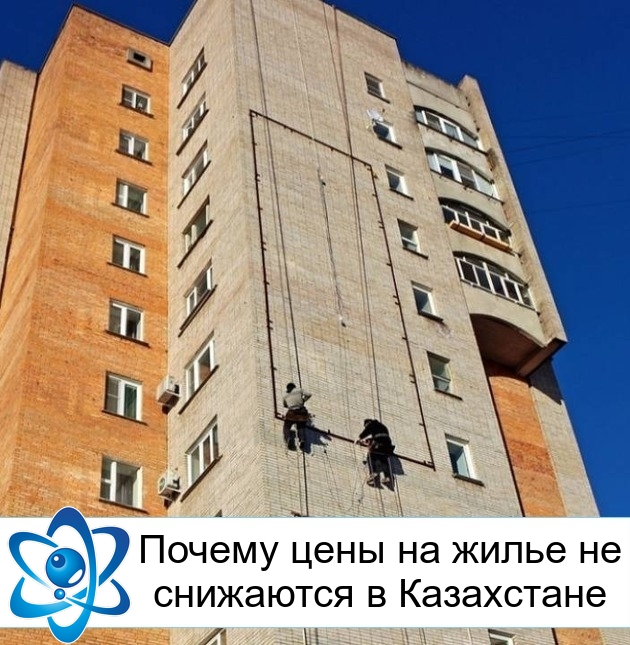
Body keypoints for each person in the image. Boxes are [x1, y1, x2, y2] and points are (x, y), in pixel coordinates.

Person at [358, 418, 394, 486]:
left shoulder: (372, 424)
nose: (366, 427)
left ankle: (373, 473)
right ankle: (388, 477)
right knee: (384, 459)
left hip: (379, 442)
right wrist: (367, 441)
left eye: (366, 425)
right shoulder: (382, 427)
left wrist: (360, 437)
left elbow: (368, 430)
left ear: (368, 423)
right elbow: (378, 436)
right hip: (387, 445)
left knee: (371, 456)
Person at [282, 382, 311, 450]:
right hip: (301, 412)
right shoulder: (299, 390)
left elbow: (285, 405)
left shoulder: (285, 395)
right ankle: (302, 440)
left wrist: (290, 404)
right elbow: (309, 394)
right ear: (294, 387)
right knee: (301, 426)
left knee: (286, 426)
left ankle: (288, 437)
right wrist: (303, 400)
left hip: (292, 413)